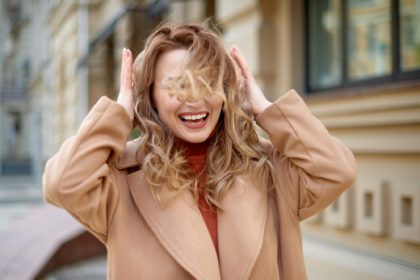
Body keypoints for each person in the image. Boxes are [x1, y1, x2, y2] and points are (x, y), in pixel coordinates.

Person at [43, 21, 357, 279]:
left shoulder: (268, 170)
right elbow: (64, 183)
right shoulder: (122, 180)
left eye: (207, 81)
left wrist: (263, 108)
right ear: (150, 96)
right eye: (175, 85)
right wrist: (120, 114)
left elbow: (335, 170)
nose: (194, 99)